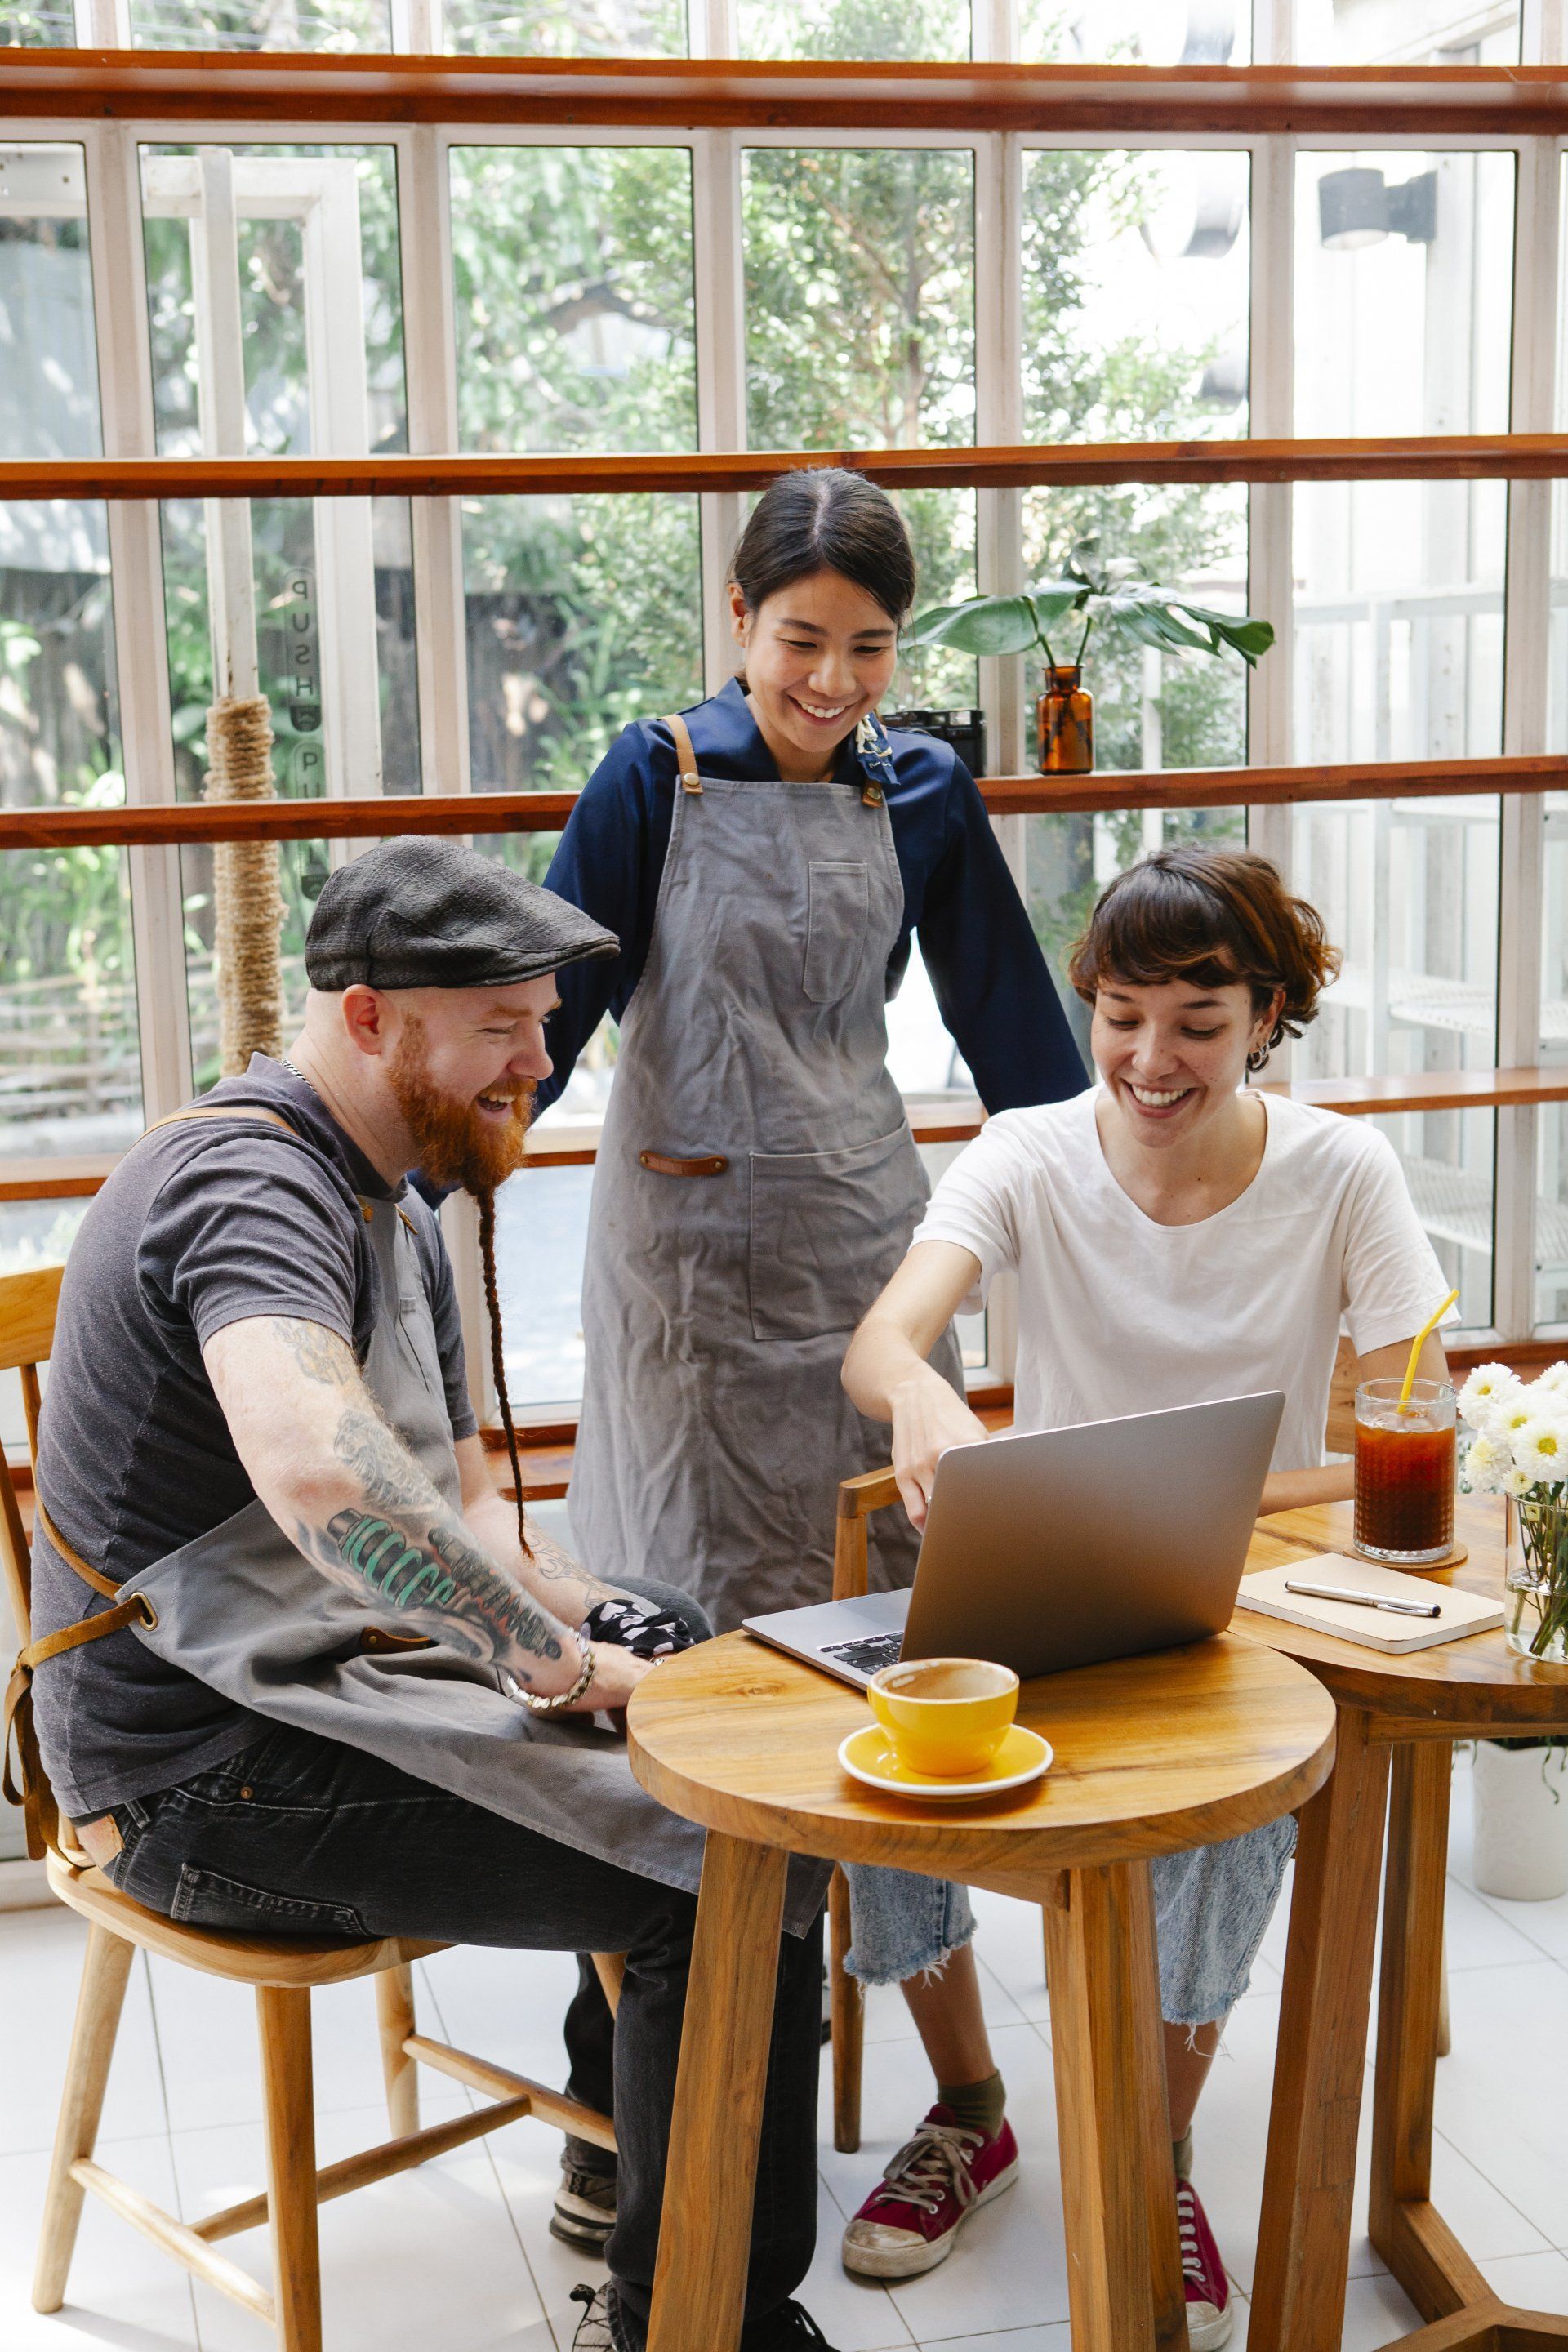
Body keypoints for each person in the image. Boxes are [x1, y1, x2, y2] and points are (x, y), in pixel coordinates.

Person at [24, 839, 837, 2352]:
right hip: (194, 1782)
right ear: (374, 1016)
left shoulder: (393, 1187)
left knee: (720, 1680)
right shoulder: (250, 1181)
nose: (542, 1060)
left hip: (314, 1674)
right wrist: (554, 1664)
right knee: (735, 1860)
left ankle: (627, 2154)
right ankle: (697, 2324)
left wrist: (589, 1612)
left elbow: (462, 1486)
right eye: (502, 1026)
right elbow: (325, 1473)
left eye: (541, 1019)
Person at [538, 466, 1085, 2256]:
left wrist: (1130, 1203)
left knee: (871, 1654)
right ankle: (620, 2064)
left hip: (861, 1265)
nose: (832, 679)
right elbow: (540, 1030)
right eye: (800, 641)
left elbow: (1018, 1035)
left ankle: (922, 2074)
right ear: (737, 615)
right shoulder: (651, 776)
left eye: (866, 647)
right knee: (671, 1657)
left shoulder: (923, 789)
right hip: (682, 1284)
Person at [839, 843, 1456, 2343]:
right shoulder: (1029, 1149)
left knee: (1225, 1827)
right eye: (1123, 1015)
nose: (1152, 1058)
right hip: (1039, 1590)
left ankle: (1154, 2140)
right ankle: (970, 2108)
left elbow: (1413, 1420)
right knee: (875, 1757)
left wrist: (1235, 1507)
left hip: (1241, 1605)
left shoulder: (1338, 1170)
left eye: (1197, 1018)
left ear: (1268, 1013)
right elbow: (880, 1345)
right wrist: (921, 1404)